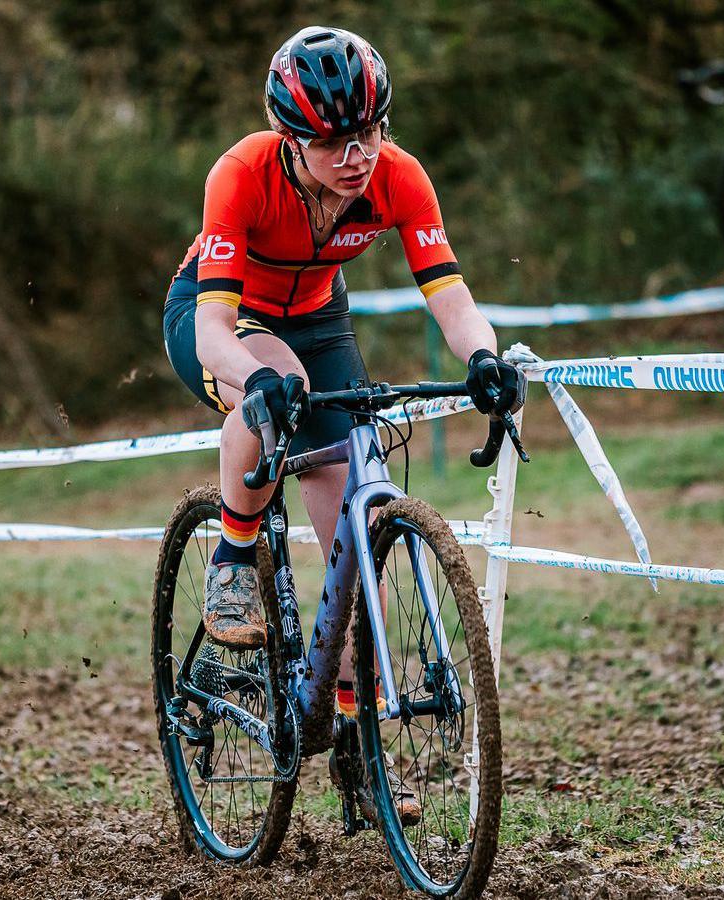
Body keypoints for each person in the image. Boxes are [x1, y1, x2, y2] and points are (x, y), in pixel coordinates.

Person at [161, 26, 523, 824]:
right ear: (291, 142)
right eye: (332, 141)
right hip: (219, 317)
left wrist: (486, 358)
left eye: (369, 131)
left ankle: (355, 735)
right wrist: (254, 376)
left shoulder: (400, 176)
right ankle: (231, 555)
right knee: (278, 386)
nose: (357, 153)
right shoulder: (243, 174)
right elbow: (216, 329)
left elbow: (451, 298)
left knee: (347, 527)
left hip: (320, 317)